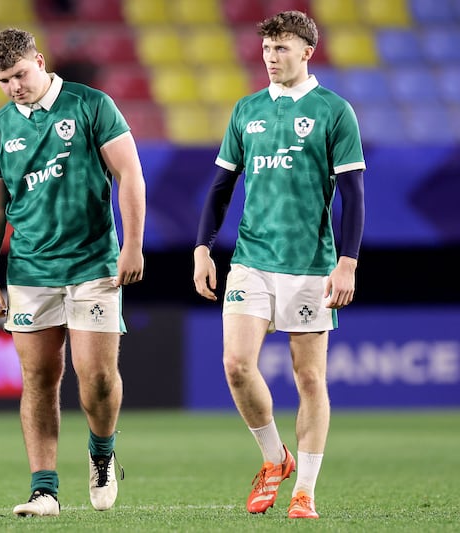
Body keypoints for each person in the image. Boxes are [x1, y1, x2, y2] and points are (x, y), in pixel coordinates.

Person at [192, 11, 365, 520]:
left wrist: (347, 262)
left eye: (282, 48)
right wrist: (202, 248)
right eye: (267, 48)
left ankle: (304, 491)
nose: (271, 57)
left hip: (310, 263)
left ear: (307, 52)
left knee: (309, 379)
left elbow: (353, 194)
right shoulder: (247, 110)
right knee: (236, 364)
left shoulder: (334, 111)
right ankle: (275, 458)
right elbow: (221, 187)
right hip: (252, 258)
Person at [0, 28, 146, 516]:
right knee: (39, 379)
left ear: (40, 62)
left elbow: (129, 174)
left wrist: (132, 244)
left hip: (93, 264)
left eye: (19, 75)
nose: (13, 87)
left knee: (97, 379)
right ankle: (44, 490)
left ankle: (102, 452)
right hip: (30, 270)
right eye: (3, 80)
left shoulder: (91, 105)